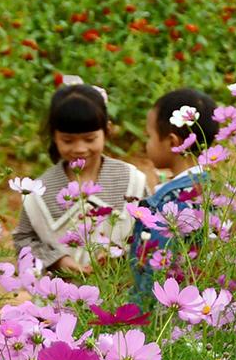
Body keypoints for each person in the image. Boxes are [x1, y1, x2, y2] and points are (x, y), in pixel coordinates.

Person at [13, 80, 147, 277]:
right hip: (60, 298)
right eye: (67, 141)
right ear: (54, 136)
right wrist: (58, 261)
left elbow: (150, 229)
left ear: (107, 130)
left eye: (90, 139)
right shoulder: (39, 191)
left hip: (123, 293)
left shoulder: (131, 180)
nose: (79, 149)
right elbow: (23, 239)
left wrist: (122, 256)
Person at [129, 88, 218, 296]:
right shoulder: (214, 191)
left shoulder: (169, 204)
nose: (146, 144)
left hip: (164, 309)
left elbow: (153, 269)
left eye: (149, 136)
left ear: (173, 142)